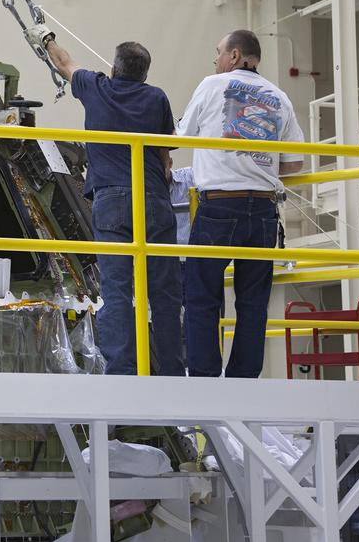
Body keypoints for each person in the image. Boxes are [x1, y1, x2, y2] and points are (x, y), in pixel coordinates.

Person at [32, 25, 184, 377]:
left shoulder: (95, 86)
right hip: (154, 200)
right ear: (144, 73)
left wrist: (45, 37)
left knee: (117, 290)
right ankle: (174, 374)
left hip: (113, 200)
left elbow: (63, 62)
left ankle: (122, 374)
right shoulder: (157, 97)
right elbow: (166, 148)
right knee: (165, 292)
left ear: (114, 69)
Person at [177, 29, 304, 378]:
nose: (215, 59)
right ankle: (243, 382)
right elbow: (294, 165)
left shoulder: (211, 85)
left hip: (219, 205)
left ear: (234, 55)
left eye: (218, 52)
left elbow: (177, 137)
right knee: (253, 302)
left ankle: (204, 379)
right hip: (263, 211)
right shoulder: (280, 97)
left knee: (202, 295)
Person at [168, 166, 194, 246]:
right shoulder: (138, 190)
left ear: (170, 162)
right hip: (163, 252)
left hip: (196, 250)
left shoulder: (190, 176)